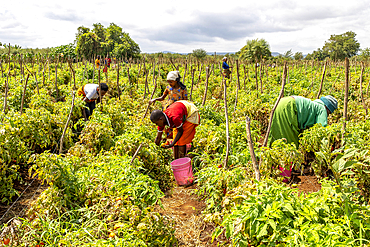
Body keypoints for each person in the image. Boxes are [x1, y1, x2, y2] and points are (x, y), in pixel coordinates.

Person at [268, 95, 338, 148]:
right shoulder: (322, 109)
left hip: (282, 102)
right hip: (289, 107)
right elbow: (321, 129)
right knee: (291, 142)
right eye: (328, 113)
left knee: (276, 131)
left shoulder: (314, 104)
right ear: (328, 108)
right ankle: (285, 165)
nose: (327, 115)